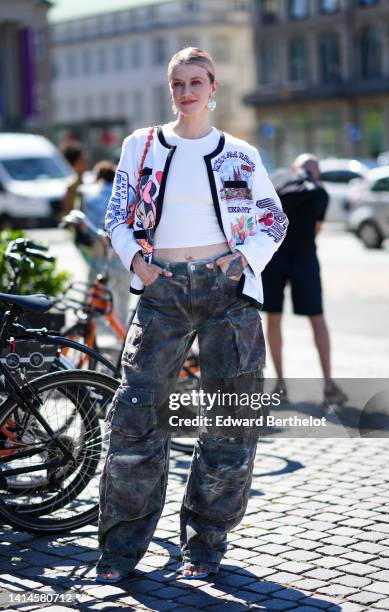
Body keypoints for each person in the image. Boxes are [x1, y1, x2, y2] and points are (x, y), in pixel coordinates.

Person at [96, 47, 288, 584]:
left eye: (196, 81)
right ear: (171, 89)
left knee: (229, 425)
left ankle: (206, 544)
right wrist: (135, 259)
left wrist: (244, 259)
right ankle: (121, 549)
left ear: (213, 87)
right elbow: (118, 210)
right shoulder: (143, 145)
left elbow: (274, 217)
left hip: (227, 293)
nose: (186, 92)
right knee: (135, 419)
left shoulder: (239, 154)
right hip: (164, 291)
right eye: (178, 83)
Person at [262, 153, 347, 404]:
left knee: (274, 319)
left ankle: (280, 384)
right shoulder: (319, 192)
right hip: (304, 258)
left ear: (294, 168)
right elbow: (316, 230)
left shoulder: (277, 180)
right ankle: (329, 385)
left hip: (273, 258)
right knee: (317, 320)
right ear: (316, 172)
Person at [81, 161, 132, 325]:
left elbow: (83, 227)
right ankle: (119, 336)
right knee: (122, 300)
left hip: (99, 255)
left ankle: (91, 334)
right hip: (122, 256)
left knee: (93, 297)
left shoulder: (89, 195)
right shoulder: (125, 196)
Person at [60, 142, 90, 216]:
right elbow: (69, 210)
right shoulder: (72, 186)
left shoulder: (91, 180)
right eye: (82, 160)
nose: (86, 161)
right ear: (75, 164)